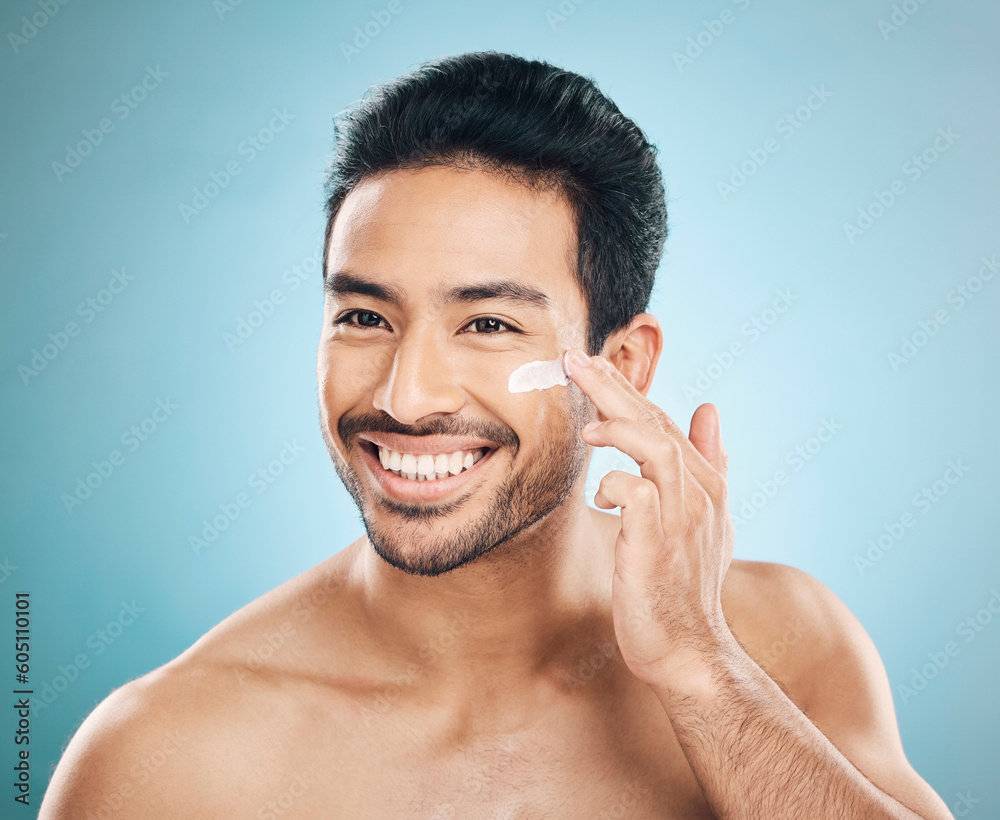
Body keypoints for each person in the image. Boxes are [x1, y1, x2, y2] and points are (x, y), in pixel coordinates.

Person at [40, 51, 952, 819]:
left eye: (488, 325)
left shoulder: (780, 649)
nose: (408, 395)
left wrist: (701, 672)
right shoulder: (166, 760)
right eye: (364, 316)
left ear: (623, 366)